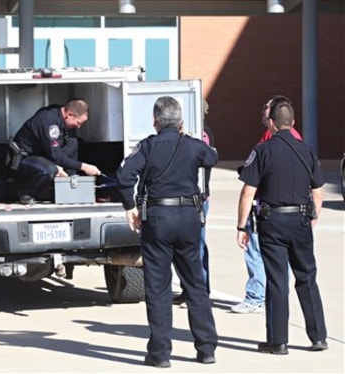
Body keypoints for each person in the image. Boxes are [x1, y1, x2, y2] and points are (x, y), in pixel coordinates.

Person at [116, 96, 218, 368]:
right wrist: (188, 138)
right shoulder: (193, 145)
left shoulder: (148, 146)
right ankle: (206, 348)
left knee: (159, 289)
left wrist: (130, 207)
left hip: (158, 220)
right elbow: (213, 156)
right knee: (195, 284)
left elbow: (124, 176)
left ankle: (160, 354)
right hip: (188, 219)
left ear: (155, 121)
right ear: (181, 122)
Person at [236, 97, 327, 354]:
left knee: (277, 280)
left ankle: (278, 341)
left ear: (272, 123)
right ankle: (318, 336)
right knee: (307, 277)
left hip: (272, 221)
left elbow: (248, 192)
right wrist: (312, 218)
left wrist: (242, 227)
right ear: (293, 122)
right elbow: (318, 191)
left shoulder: (262, 151)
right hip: (300, 220)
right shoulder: (306, 151)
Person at [231, 96, 302, 314]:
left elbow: (250, 187)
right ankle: (270, 296)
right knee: (279, 257)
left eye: (266, 109)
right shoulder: (283, 138)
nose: (263, 113)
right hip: (286, 209)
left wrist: (241, 225)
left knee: (255, 250)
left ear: (274, 117)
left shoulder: (279, 139)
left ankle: (256, 297)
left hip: (269, 206)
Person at [8, 99, 101, 204]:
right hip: (23, 160)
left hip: (42, 155)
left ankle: (69, 185)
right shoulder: (49, 120)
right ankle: (26, 192)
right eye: (78, 122)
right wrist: (84, 167)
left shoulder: (59, 115)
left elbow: (55, 152)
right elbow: (56, 157)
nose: (78, 126)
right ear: (69, 114)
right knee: (48, 169)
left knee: (74, 143)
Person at [173, 99, 214, 305]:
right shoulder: (195, 134)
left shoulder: (202, 135)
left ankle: (200, 290)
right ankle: (188, 289)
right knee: (190, 246)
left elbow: (207, 158)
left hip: (198, 199)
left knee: (196, 246)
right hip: (194, 199)